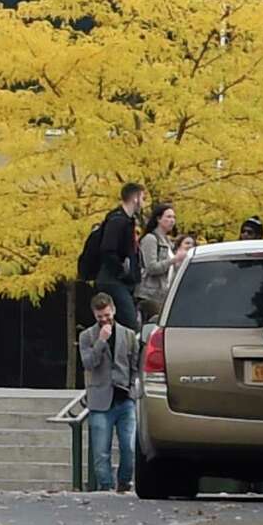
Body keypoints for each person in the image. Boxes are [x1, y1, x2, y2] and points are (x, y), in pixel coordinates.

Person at [78, 292, 140, 493]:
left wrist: (132, 390)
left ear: (113, 310)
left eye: (107, 315)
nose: (104, 319)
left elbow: (134, 365)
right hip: (100, 400)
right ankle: (106, 486)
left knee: (129, 447)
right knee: (101, 451)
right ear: (94, 315)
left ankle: (124, 482)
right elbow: (88, 363)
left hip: (124, 398)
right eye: (100, 316)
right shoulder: (87, 336)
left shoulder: (129, 335)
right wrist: (101, 341)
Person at [94, 182, 146, 331]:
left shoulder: (125, 220)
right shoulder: (117, 221)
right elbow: (107, 250)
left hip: (119, 280)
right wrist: (122, 271)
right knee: (131, 324)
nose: (143, 203)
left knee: (122, 326)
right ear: (135, 198)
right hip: (113, 280)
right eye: (142, 198)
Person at [136, 202, 178, 322]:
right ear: (158, 219)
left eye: (173, 217)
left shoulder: (168, 242)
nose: (172, 221)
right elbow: (151, 267)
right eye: (168, 217)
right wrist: (173, 260)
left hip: (163, 294)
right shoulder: (150, 239)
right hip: (149, 295)